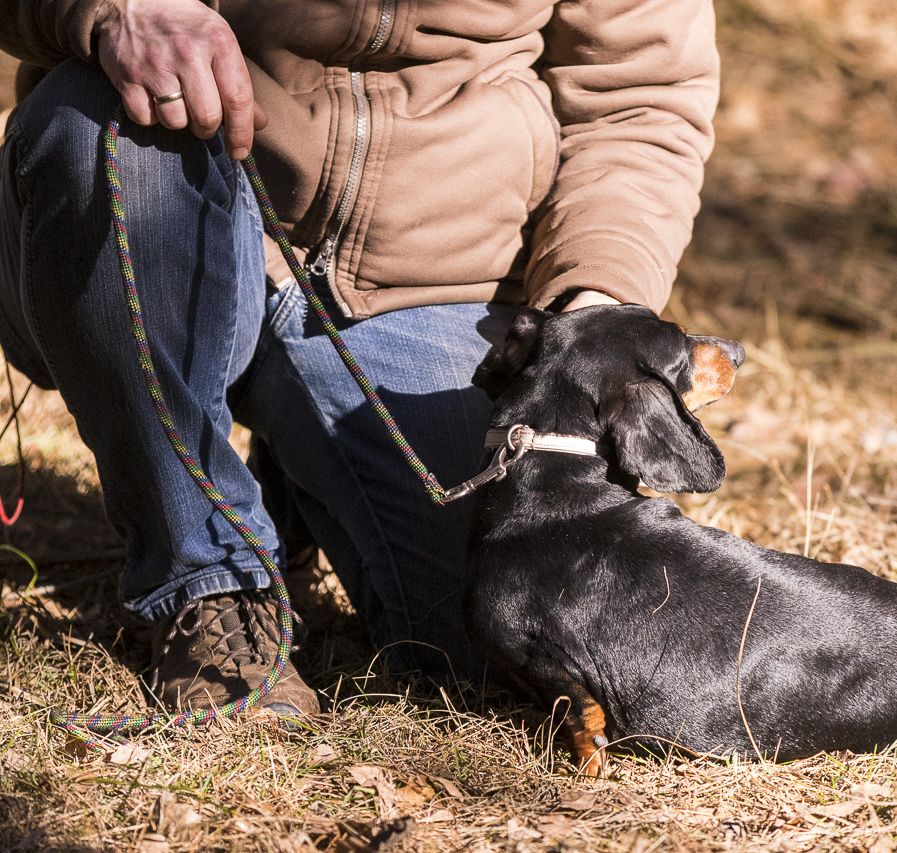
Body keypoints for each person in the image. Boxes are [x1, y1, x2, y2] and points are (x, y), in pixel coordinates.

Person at [0, 0, 717, 716]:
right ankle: (209, 583)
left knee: (498, 637)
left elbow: (642, 100)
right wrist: (118, 8)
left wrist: (592, 308)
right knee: (101, 122)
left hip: (432, 280)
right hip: (155, 193)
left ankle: (292, 480)